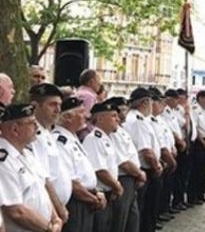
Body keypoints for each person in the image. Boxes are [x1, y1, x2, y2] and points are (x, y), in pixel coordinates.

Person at [0, 103, 63, 232]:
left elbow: (41, 190)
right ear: (15, 129)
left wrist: (56, 218)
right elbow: (16, 210)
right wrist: (49, 227)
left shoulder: (27, 154)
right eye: (31, 123)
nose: (37, 127)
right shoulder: (4, 161)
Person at [54, 97, 107, 232]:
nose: (87, 116)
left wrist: (96, 193)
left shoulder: (73, 137)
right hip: (77, 202)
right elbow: (72, 182)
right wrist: (93, 199)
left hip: (86, 199)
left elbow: (84, 174)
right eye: (81, 113)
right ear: (68, 118)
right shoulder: (60, 140)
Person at [29, 84, 71, 224]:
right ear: (35, 106)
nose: (58, 110)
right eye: (52, 104)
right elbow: (44, 180)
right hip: (50, 212)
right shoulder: (33, 136)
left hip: (58, 209)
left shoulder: (46, 132)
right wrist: (58, 210)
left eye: (59, 104)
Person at [124, 88, 162, 232]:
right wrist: (157, 166)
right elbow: (146, 150)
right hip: (146, 169)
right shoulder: (138, 121)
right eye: (151, 102)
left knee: (142, 209)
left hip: (142, 169)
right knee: (146, 210)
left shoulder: (135, 118)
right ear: (145, 102)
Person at [82, 100, 124, 232]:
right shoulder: (94, 138)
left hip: (109, 192)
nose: (118, 119)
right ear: (100, 118)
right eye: (113, 116)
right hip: (101, 194)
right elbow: (100, 170)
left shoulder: (107, 138)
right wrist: (116, 186)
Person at [109, 97, 145, 232]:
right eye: (121, 110)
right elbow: (123, 162)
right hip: (124, 178)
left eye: (126, 109)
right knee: (121, 220)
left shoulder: (122, 130)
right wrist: (140, 174)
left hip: (132, 178)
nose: (124, 113)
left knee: (132, 218)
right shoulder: (113, 134)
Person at [147, 88, 177, 225]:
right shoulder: (149, 121)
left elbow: (166, 137)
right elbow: (156, 145)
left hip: (164, 159)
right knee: (152, 197)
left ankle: (159, 214)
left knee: (162, 190)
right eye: (159, 102)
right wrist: (166, 159)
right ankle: (155, 216)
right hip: (157, 162)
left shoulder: (158, 119)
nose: (162, 105)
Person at [189, 90, 205, 205]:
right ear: (200, 98)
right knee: (196, 171)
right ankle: (193, 196)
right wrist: (204, 143)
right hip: (200, 143)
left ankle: (200, 194)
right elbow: (196, 129)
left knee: (203, 170)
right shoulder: (195, 110)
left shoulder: (204, 111)